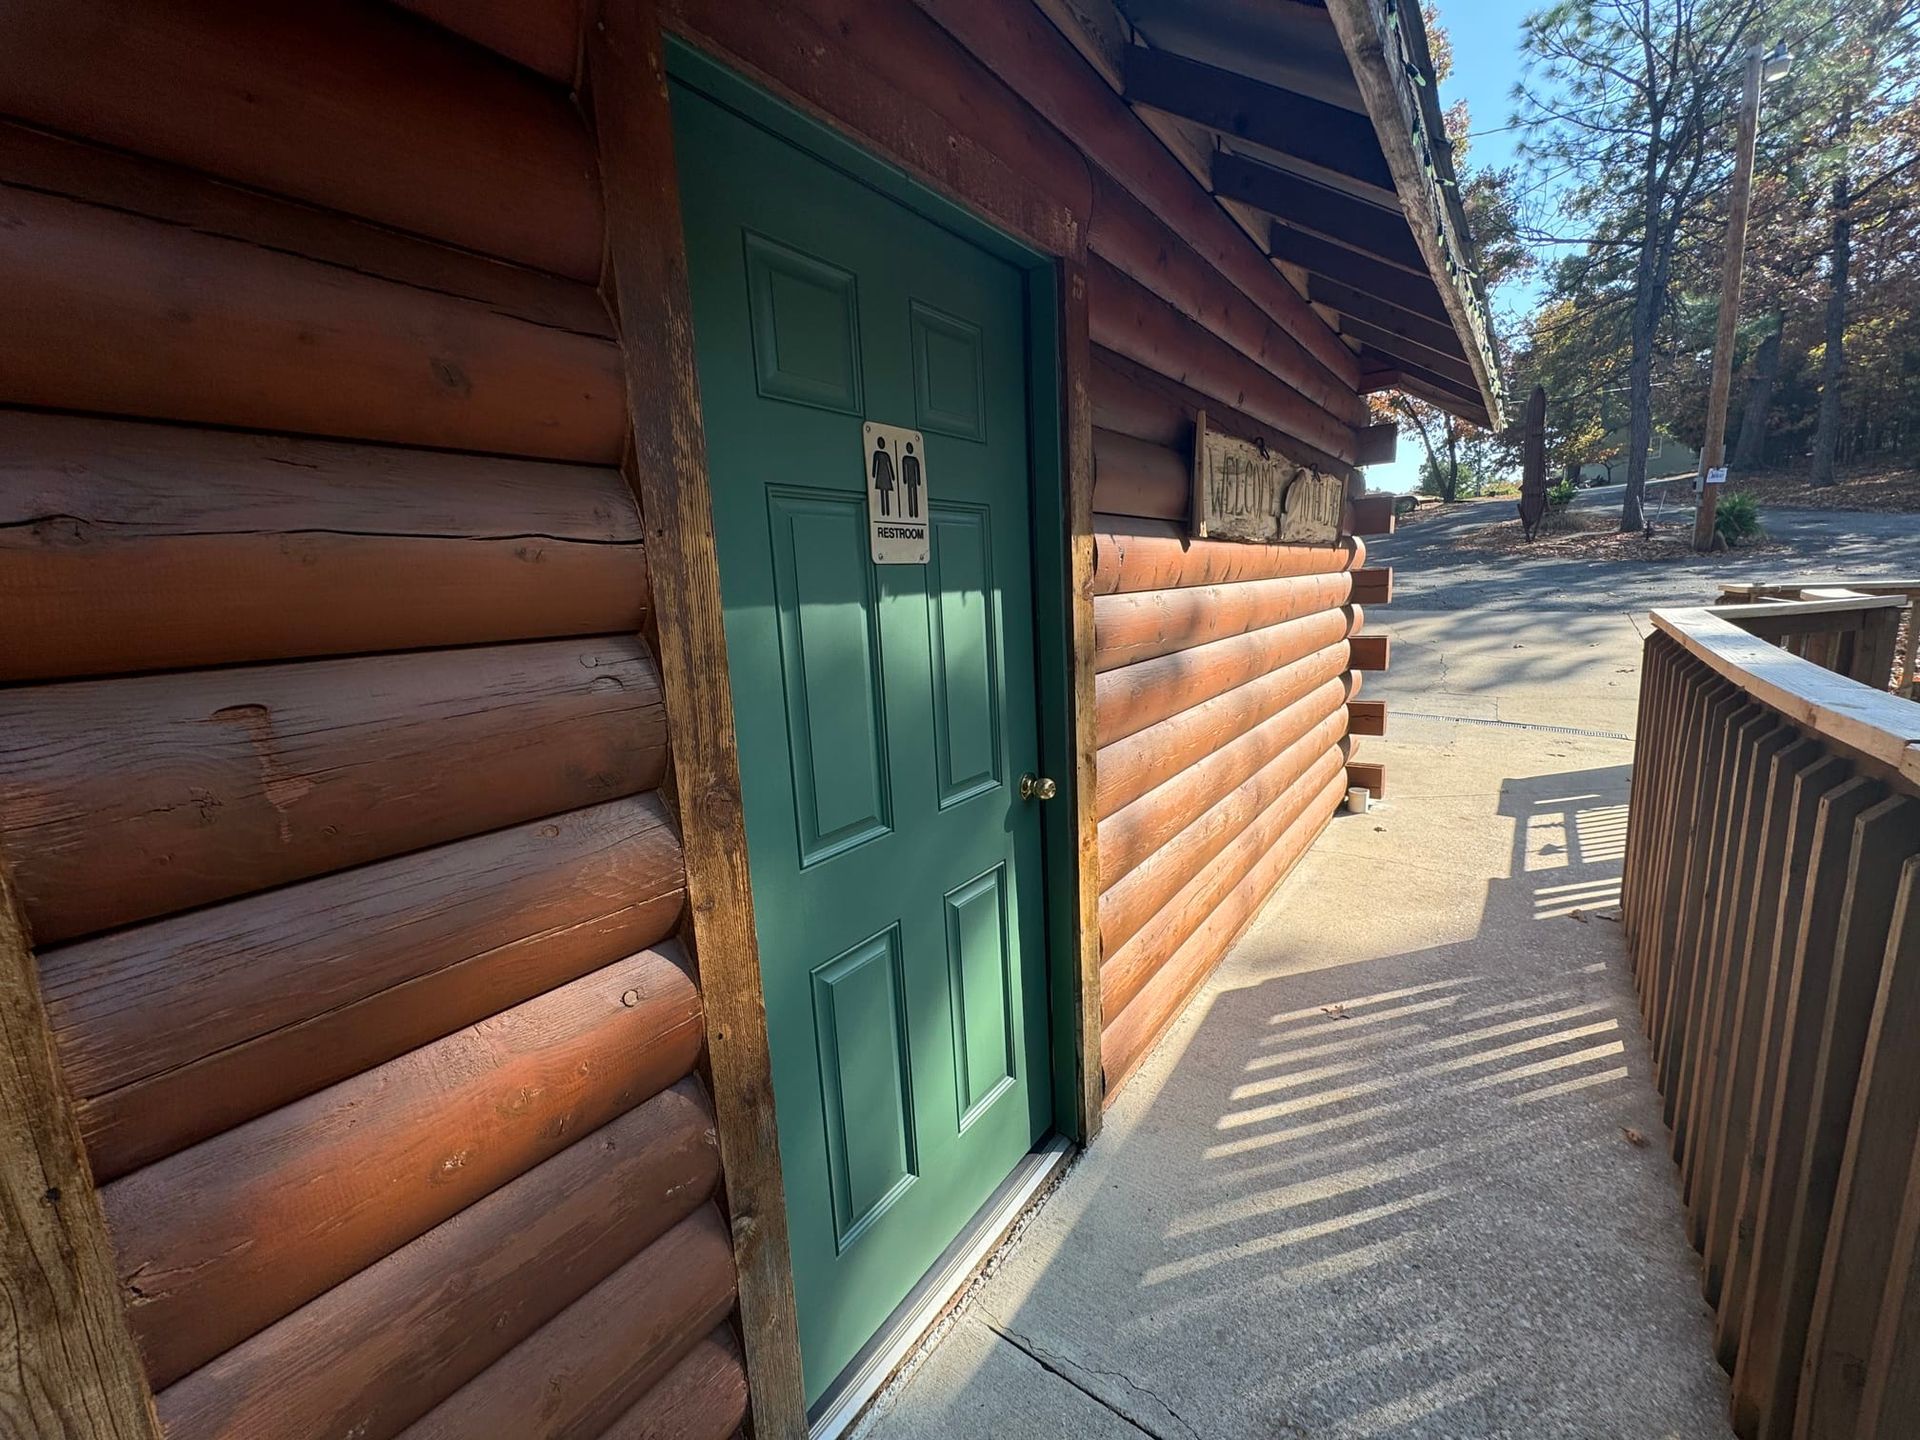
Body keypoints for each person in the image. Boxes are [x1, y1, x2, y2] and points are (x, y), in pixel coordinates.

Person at [871, 435, 897, 516]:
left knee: (886, 492)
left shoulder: (886, 455)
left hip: (886, 474)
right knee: (882, 492)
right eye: (880, 443)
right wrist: (873, 474)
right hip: (880, 474)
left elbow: (890, 466)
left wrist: (893, 476)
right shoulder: (876, 454)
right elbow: (874, 465)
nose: (881, 445)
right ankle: (883, 511)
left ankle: (888, 511)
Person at [900, 441, 923, 519]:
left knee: (915, 495)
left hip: (914, 480)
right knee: (910, 495)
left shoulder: (915, 460)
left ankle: (915, 512)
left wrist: (919, 482)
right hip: (909, 481)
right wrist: (904, 480)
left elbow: (918, 471)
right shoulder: (905, 459)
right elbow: (904, 470)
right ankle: (910, 512)